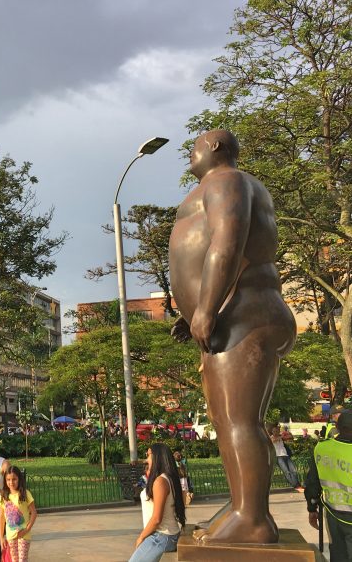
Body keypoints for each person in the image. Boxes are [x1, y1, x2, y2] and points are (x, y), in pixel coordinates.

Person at [169, 129, 296, 543]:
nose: (190, 152)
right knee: (226, 421)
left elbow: (226, 241)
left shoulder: (226, 181)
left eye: (195, 145)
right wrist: (192, 314)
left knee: (240, 420)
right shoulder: (221, 185)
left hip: (243, 314)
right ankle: (243, 508)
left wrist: (205, 309)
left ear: (215, 148)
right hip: (229, 318)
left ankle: (253, 518)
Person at [305, 409, 352, 561]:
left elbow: (313, 482)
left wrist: (312, 508)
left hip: (333, 515)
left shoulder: (322, 448)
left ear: (337, 427)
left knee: (338, 555)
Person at [129, 444, 186, 562]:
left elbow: (156, 519)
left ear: (157, 457)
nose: (146, 459)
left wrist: (141, 537)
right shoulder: (168, 478)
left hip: (160, 536)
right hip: (165, 535)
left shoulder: (161, 481)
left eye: (148, 455)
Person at [0, 466, 37, 562]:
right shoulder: (4, 496)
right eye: (8, 480)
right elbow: (1, 517)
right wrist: (1, 537)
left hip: (24, 535)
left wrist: (27, 529)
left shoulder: (25, 494)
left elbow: (34, 513)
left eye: (14, 479)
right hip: (11, 536)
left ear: (19, 479)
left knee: (22, 559)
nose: (11, 482)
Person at [270, 425, 302, 490]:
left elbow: (291, 437)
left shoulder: (281, 436)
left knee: (293, 470)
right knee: (287, 472)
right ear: (272, 432)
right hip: (278, 457)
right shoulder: (271, 437)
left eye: (277, 431)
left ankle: (297, 484)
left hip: (285, 455)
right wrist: (281, 436)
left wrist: (285, 434)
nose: (276, 432)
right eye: (274, 431)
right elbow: (273, 440)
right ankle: (296, 486)